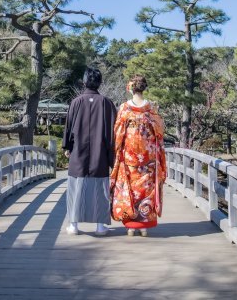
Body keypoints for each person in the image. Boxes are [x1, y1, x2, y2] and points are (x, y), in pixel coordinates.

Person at [62, 67, 117, 236]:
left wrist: (67, 147)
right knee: (100, 189)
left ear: (84, 81)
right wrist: (111, 154)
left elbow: (69, 127)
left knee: (76, 188)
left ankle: (74, 225)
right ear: (100, 82)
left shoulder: (76, 102)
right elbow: (113, 132)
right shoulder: (106, 103)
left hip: (78, 152)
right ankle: (100, 226)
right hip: (100, 154)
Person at [110, 74, 167, 237]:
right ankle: (144, 227)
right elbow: (159, 133)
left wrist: (118, 150)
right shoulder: (152, 108)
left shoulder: (124, 109)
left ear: (130, 88)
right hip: (148, 156)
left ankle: (131, 227)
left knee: (130, 190)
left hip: (129, 156)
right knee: (146, 191)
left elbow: (118, 133)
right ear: (144, 87)